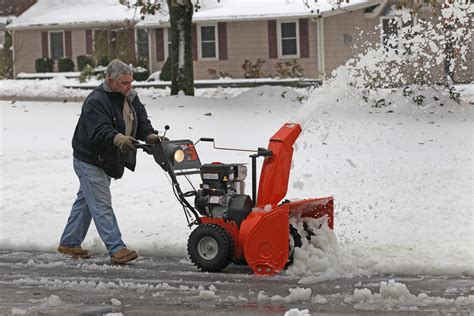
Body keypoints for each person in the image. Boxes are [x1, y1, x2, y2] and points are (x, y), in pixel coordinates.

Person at [58, 59, 162, 264]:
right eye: (124, 83)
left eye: (130, 82)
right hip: (89, 159)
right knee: (101, 204)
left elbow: (141, 122)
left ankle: (70, 242)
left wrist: (150, 136)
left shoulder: (131, 97)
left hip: (107, 159)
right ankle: (116, 248)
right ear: (110, 80)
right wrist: (119, 139)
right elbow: (99, 130)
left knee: (87, 201)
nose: (128, 87)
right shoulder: (96, 101)